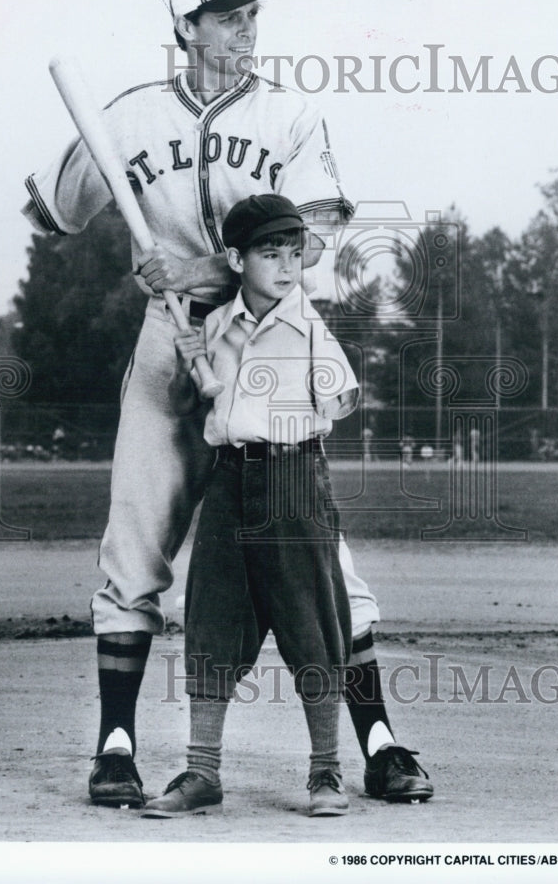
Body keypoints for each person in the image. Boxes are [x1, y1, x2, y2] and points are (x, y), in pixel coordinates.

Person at [21, 0, 431, 808]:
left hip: (272, 347)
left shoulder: (288, 114)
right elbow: (54, 212)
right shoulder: (128, 118)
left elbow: (311, 236)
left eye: (252, 14)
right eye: (228, 15)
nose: (247, 30)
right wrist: (142, 259)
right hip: (169, 349)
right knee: (132, 548)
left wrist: (203, 260)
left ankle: (380, 743)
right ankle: (117, 745)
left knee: (319, 554)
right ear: (185, 29)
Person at [143, 195, 356, 817]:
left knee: (311, 620)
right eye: (271, 254)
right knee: (213, 618)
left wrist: (315, 400)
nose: (288, 268)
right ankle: (202, 771)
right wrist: (193, 366)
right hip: (230, 480)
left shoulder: (310, 328)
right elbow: (194, 407)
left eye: (296, 255)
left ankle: (326, 773)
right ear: (235, 260)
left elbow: (339, 402)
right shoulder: (214, 326)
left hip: (293, 479)